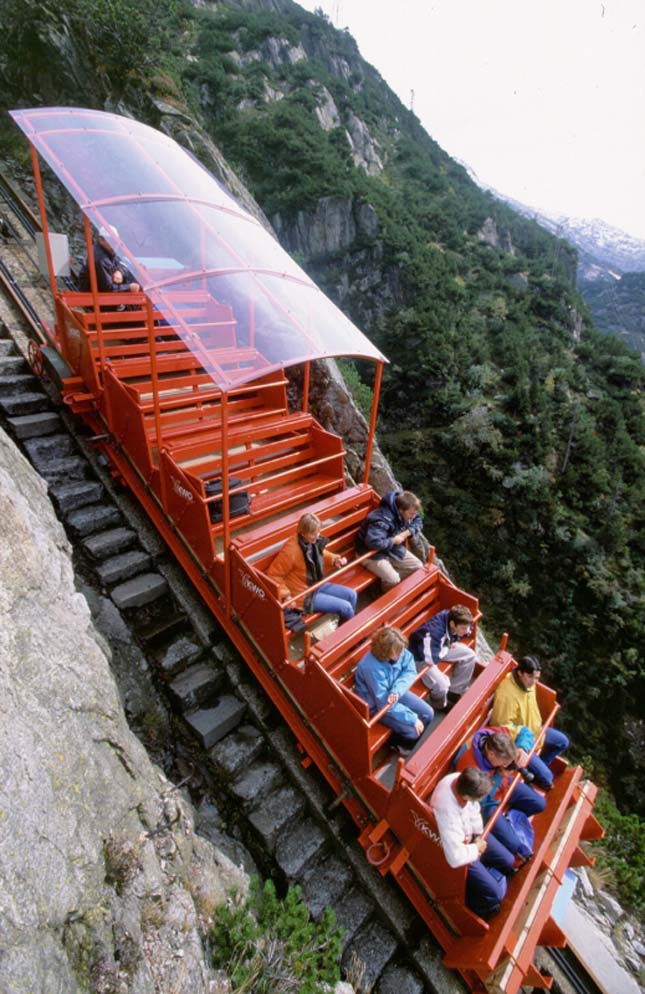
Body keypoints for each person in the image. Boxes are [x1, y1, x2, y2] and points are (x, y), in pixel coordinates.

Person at [430, 767, 514, 919]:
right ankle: (468, 908)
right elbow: (454, 857)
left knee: (508, 861)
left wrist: (478, 833)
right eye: (479, 798)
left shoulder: (461, 780)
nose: (480, 801)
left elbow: (474, 809)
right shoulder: (447, 812)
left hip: (471, 838)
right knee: (494, 894)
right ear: (467, 796)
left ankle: (487, 874)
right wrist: (476, 848)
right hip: (460, 849)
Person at [454, 727, 546, 861]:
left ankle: (513, 819)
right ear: (491, 754)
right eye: (504, 762)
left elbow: (525, 730)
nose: (507, 765)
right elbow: (479, 799)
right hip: (487, 802)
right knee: (517, 847)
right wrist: (498, 777)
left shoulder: (498, 736)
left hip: (503, 784)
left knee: (539, 804)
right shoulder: (471, 768)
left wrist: (521, 748)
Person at [490, 655, 569, 791]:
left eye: (537, 678)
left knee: (562, 741)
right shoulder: (507, 695)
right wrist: (524, 743)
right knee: (547, 779)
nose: (534, 682)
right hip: (519, 742)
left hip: (535, 732)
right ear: (520, 673)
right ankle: (535, 775)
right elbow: (502, 727)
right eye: (531, 677)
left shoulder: (528, 684)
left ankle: (536, 767)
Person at [266, 513, 357, 624]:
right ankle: (346, 636)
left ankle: (343, 631)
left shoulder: (310, 541)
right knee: (346, 608)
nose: (318, 536)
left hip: (315, 584)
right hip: (303, 596)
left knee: (352, 595)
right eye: (313, 534)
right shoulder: (290, 551)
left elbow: (321, 553)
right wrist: (286, 595)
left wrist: (334, 559)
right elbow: (273, 575)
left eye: (318, 532)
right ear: (303, 532)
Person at [354, 626, 434, 753]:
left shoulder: (399, 650)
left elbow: (410, 671)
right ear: (386, 651)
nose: (402, 653)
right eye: (398, 652)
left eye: (402, 650)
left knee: (428, 714)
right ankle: (397, 744)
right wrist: (412, 718)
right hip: (377, 705)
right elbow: (383, 703)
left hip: (395, 691)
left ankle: (406, 741)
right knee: (413, 731)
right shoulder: (371, 668)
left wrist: (396, 690)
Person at [355, 490, 426, 592]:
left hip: (390, 548)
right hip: (370, 554)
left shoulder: (408, 511)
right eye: (411, 514)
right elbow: (373, 543)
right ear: (401, 510)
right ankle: (380, 593)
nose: (413, 516)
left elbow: (418, 521)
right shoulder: (380, 520)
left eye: (414, 513)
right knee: (393, 579)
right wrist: (393, 540)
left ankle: (386, 579)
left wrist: (406, 533)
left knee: (417, 566)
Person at [409, 604, 477, 710]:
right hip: (421, 658)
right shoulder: (433, 632)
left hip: (440, 647)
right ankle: (439, 705)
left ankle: (454, 691)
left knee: (470, 655)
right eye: (463, 628)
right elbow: (432, 659)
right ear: (452, 624)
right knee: (442, 685)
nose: (466, 630)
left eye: (467, 627)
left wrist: (453, 640)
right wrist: (448, 644)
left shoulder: (454, 618)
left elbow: (468, 630)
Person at [79, 225, 141, 294]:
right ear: (101, 240)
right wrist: (129, 287)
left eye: (116, 242)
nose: (115, 245)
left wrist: (119, 271)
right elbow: (108, 289)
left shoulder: (109, 251)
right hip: (98, 301)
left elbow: (123, 263)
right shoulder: (100, 259)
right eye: (111, 241)